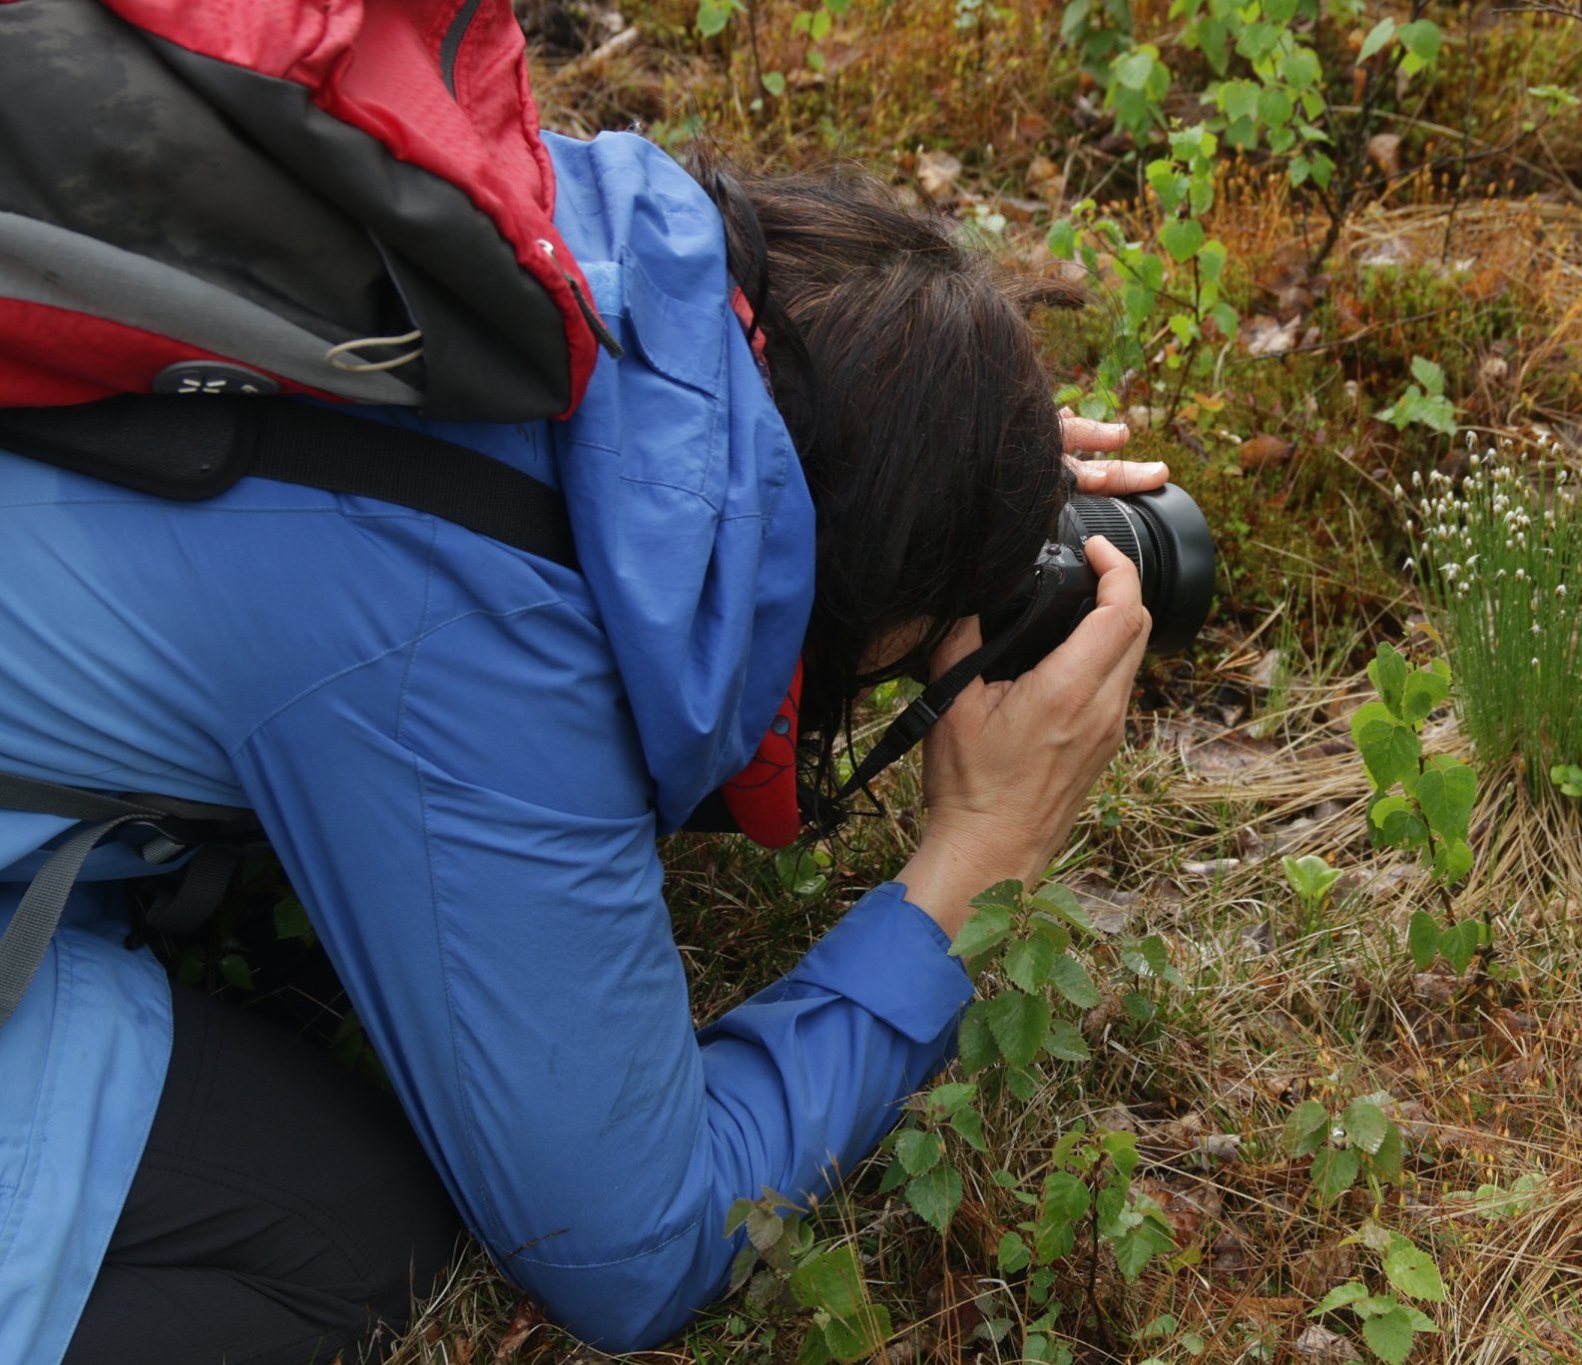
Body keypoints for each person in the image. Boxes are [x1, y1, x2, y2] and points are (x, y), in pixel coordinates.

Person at [0, 129, 1168, 1364]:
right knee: (344, 1245)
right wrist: (969, 864)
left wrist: (944, 439)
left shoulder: (511, 240)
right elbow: (630, 1247)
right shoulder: (477, 646)